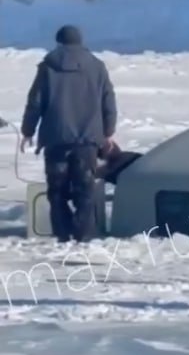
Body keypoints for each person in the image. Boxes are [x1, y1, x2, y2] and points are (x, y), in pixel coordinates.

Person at [20, 25, 117, 244]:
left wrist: (28, 131)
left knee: (57, 190)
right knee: (85, 189)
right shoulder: (97, 67)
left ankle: (62, 233)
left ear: (59, 41)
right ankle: (83, 234)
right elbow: (108, 101)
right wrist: (108, 131)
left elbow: (35, 102)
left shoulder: (47, 67)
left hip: (56, 138)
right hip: (87, 140)